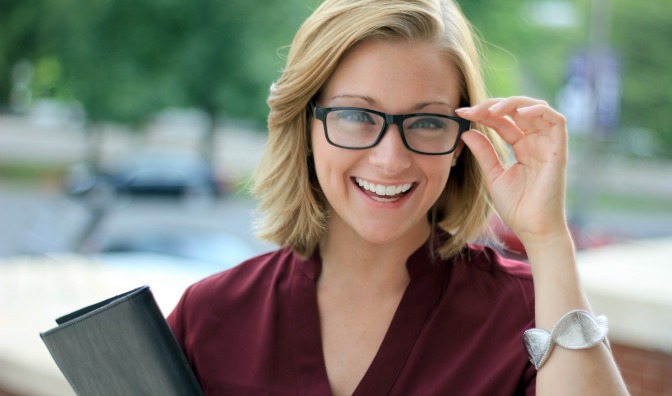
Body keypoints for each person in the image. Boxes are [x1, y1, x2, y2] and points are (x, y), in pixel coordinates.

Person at [167, 0, 629, 394]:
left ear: (461, 143)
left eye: (427, 123)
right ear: (306, 128)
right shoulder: (209, 317)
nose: (391, 159)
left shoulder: (531, 313)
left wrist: (548, 238)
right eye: (356, 115)